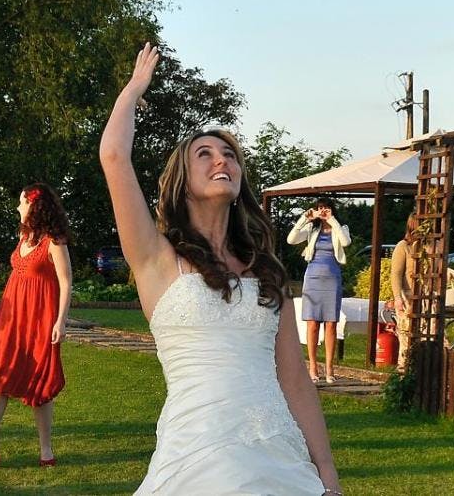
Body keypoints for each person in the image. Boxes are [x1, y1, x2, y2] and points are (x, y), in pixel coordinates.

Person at [100, 44, 341, 496]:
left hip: (278, 455)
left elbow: (294, 380)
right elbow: (114, 157)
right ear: (183, 182)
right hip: (197, 454)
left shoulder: (267, 271)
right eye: (205, 154)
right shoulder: (157, 259)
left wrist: (327, 473)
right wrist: (133, 90)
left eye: (229, 154)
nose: (222, 160)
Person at [0, 183, 72, 469]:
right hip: (13, 318)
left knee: (40, 380)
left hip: (40, 319)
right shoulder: (23, 237)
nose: (18, 207)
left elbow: (66, 282)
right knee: (3, 375)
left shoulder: (53, 241)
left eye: (22, 202)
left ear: (34, 206)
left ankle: (46, 449)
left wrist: (60, 321)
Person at [286, 198, 351, 383]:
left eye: (326, 208)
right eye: (320, 208)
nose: (323, 211)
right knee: (312, 323)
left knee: (331, 323)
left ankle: (329, 368)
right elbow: (291, 239)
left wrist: (332, 220)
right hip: (313, 277)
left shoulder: (340, 227)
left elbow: (345, 242)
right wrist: (305, 218)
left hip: (332, 279)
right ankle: (313, 366)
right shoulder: (311, 229)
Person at [389, 213, 436, 373]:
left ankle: (427, 371)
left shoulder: (431, 246)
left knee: (431, 335)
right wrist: (398, 298)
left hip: (428, 297)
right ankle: (404, 371)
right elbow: (396, 274)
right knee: (407, 336)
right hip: (408, 298)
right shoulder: (403, 246)